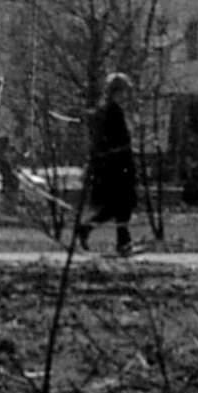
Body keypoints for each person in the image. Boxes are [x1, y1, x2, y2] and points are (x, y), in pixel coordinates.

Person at [76, 72, 139, 257]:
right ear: (115, 92)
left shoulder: (108, 110)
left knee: (119, 207)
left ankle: (123, 242)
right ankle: (92, 231)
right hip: (116, 167)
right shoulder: (112, 112)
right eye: (123, 91)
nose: (125, 95)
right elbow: (115, 141)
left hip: (113, 166)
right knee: (116, 206)